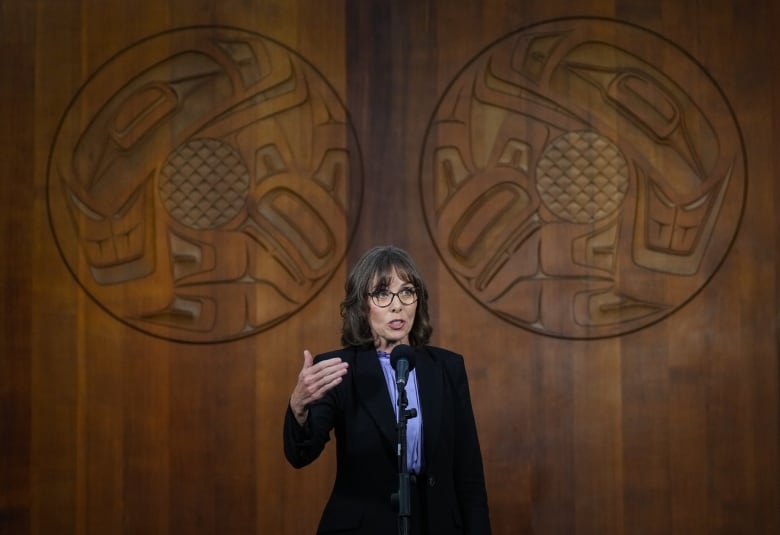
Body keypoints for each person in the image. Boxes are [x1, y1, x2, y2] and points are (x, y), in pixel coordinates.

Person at [284, 245, 492, 534]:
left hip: (436, 524)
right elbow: (301, 455)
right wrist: (299, 407)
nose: (397, 305)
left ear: (417, 300)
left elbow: (469, 475)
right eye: (382, 294)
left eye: (406, 291)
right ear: (361, 305)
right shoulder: (340, 368)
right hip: (364, 526)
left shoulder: (447, 367)